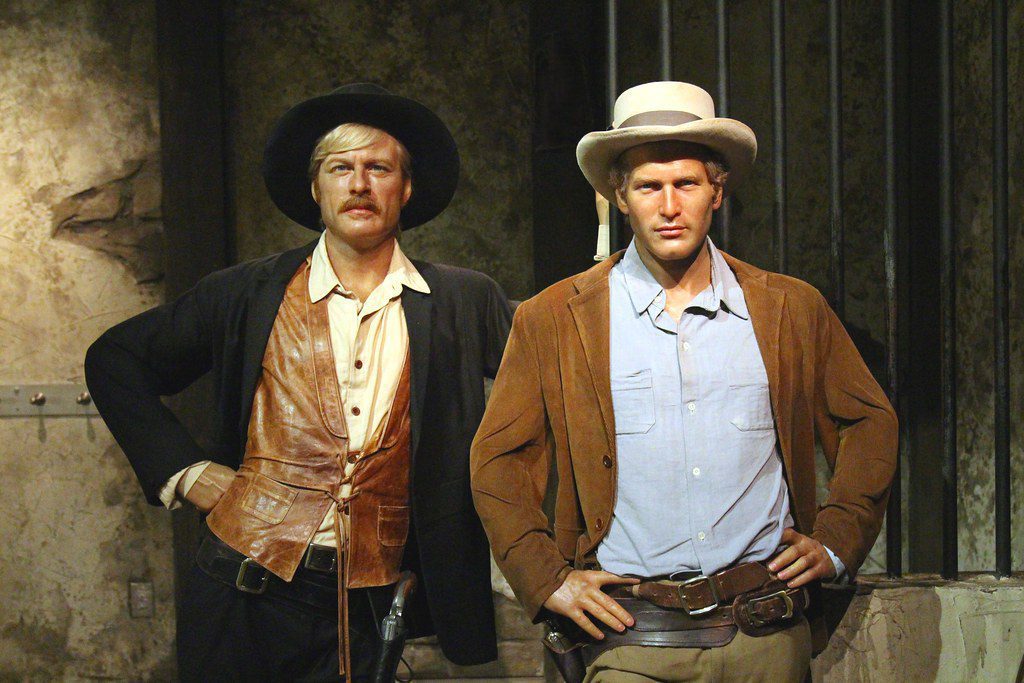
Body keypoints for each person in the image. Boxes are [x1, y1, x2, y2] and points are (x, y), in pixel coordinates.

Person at [470, 81, 897, 681]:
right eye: (649, 186)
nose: (669, 206)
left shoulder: (788, 308)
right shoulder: (555, 318)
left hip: (764, 634)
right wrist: (546, 578)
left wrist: (837, 536)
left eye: (687, 184)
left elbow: (869, 419)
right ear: (621, 196)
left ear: (716, 191)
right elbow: (498, 460)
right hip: (628, 640)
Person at [86, 83, 509, 681]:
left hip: (366, 613)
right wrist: (188, 472)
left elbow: (546, 389)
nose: (359, 185)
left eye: (378, 168)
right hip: (240, 596)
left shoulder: (463, 300)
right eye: (341, 168)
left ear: (406, 188)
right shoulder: (246, 291)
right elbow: (116, 360)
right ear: (316, 189)